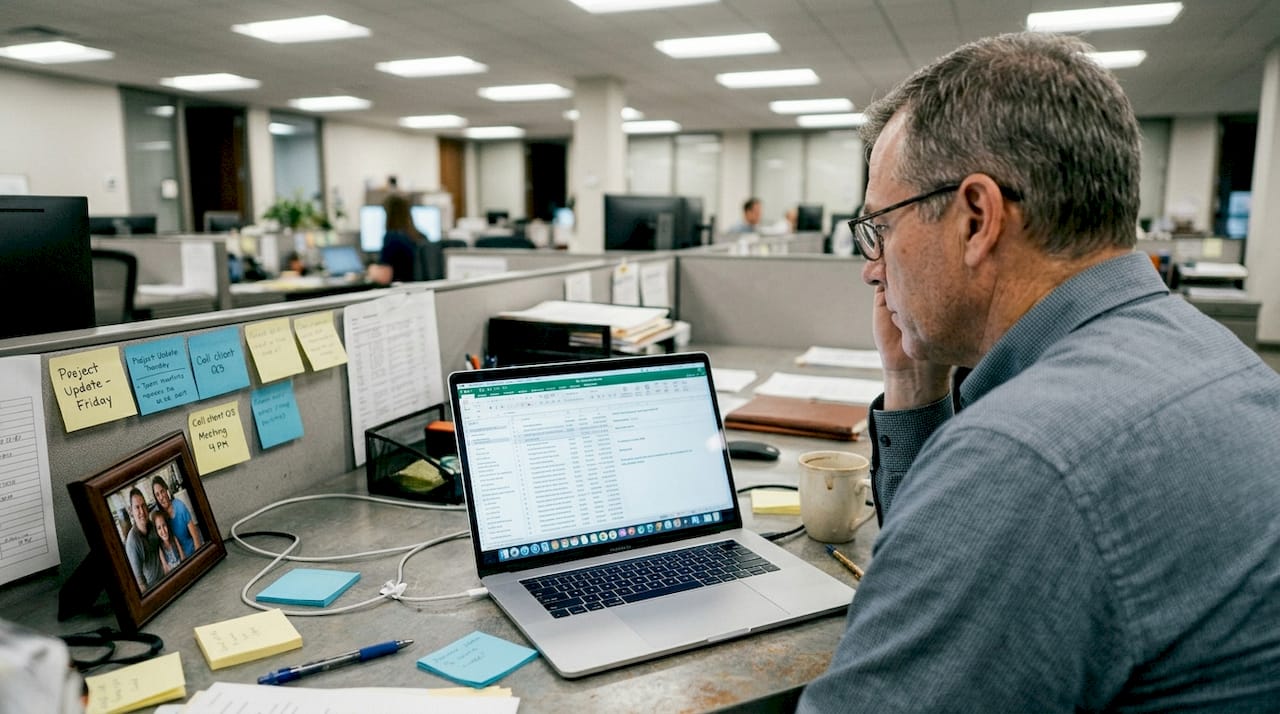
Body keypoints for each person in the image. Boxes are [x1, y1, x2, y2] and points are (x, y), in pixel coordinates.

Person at [798, 32, 1280, 711]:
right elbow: (939, 584)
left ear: (976, 218)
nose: (872, 265)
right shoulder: (1218, 357)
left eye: (880, 225)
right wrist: (913, 384)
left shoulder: (1023, 460)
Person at [367, 193, 424, 285]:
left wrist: (371, 270)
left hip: (401, 293)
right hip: (420, 291)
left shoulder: (392, 238)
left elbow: (384, 277)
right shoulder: (420, 236)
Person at [122, 488, 162, 592]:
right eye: (137, 507)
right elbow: (140, 583)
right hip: (154, 588)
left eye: (143, 505)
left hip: (168, 574)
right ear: (131, 511)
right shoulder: (132, 542)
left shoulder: (153, 525)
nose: (142, 511)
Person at [151, 475, 201, 557]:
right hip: (177, 561)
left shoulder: (179, 506)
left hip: (192, 553)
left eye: (162, 491)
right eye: (157, 495)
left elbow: (195, 537)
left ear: (166, 489)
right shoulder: (159, 517)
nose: (161, 497)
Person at [150, 510, 185, 574]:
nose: (163, 531)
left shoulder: (174, 539)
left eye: (164, 525)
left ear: (167, 525)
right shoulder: (160, 549)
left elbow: (183, 558)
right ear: (156, 531)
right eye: (159, 528)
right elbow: (166, 570)